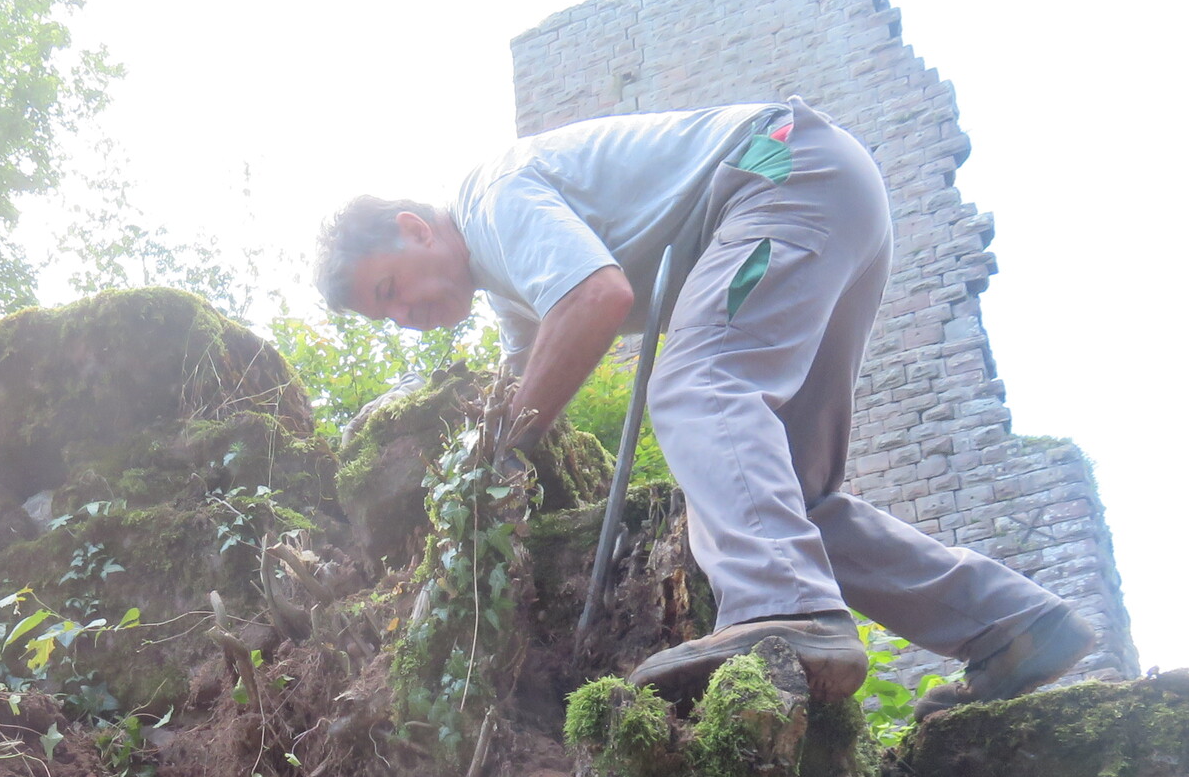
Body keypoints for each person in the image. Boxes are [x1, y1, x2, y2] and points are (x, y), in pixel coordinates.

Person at [314, 99, 1096, 712]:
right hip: (822, 192)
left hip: (778, 173)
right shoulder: (505, 282)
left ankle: (783, 609)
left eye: (390, 289)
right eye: (387, 316)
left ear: (414, 230)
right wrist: (488, 453)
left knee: (695, 383)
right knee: (781, 500)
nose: (404, 317)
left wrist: (502, 448)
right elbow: (533, 373)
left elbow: (594, 297)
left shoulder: (489, 199)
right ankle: (1011, 628)